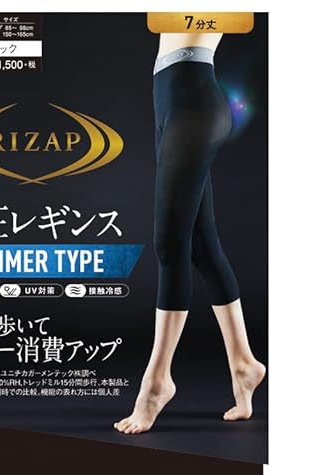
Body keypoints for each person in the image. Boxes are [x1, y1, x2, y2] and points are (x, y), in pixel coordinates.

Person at [114, 32, 266, 435]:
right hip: (170, 98)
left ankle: (156, 382)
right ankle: (243, 363)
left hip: (192, 99)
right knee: (200, 244)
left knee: (170, 243)